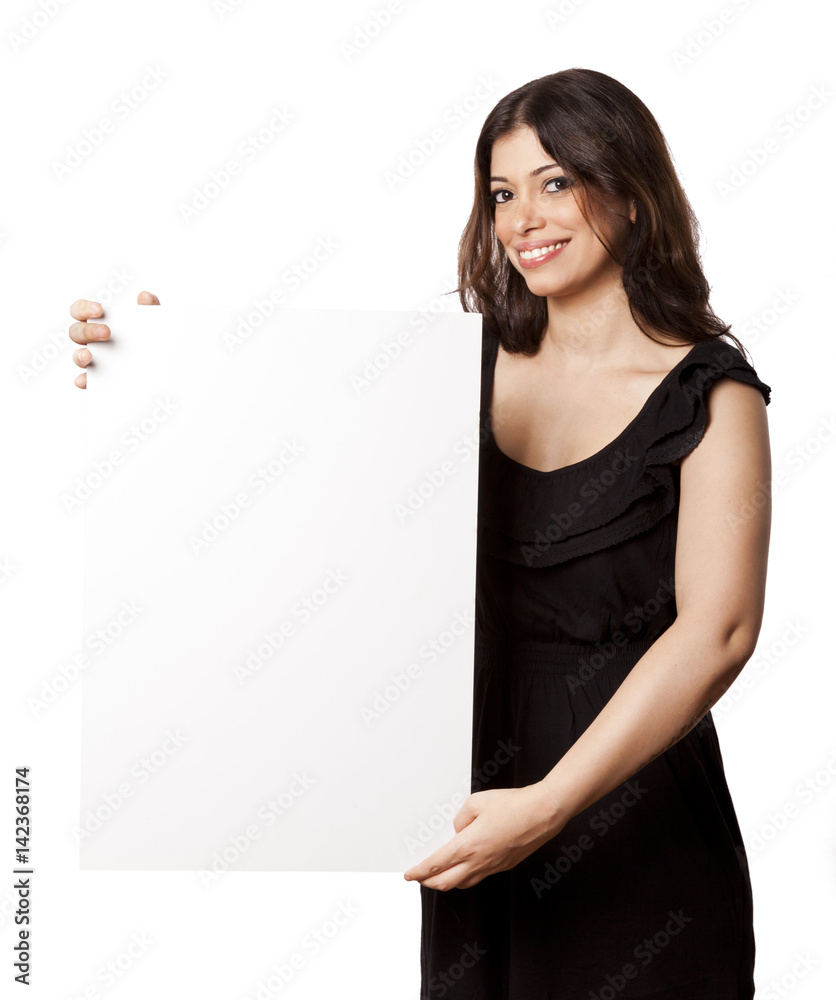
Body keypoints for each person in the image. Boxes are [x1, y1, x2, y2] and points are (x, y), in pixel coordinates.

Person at [69, 67, 772, 999]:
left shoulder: (712, 391)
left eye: (556, 181)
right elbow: (289, 493)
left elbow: (719, 633)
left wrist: (549, 807)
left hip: (633, 819)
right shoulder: (445, 371)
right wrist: (161, 362)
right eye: (501, 193)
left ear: (632, 192)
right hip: (473, 807)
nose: (523, 218)